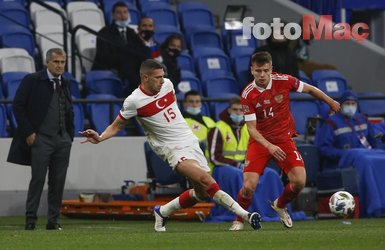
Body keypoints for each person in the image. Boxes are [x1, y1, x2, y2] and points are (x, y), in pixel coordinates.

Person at [80, 59, 262, 232]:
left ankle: (162, 212)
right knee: (206, 181)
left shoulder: (168, 85)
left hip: (189, 141)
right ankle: (245, 215)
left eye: (162, 76)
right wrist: (100, 137)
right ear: (145, 77)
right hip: (170, 148)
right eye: (157, 77)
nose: (162, 80)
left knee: (202, 194)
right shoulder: (134, 101)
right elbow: (117, 125)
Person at [229, 51, 340, 231]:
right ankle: (239, 220)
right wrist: (269, 146)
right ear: (252, 70)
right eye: (258, 71)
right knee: (249, 187)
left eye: (265, 70)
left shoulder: (284, 80)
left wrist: (330, 101)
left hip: (283, 139)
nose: (262, 75)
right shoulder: (248, 94)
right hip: (261, 142)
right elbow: (251, 129)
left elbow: (311, 89)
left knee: (299, 182)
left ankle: (280, 205)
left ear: (271, 68)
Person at [7, 48, 74, 231]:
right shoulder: (33, 80)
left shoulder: (66, 83)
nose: (60, 66)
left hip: (62, 140)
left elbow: (69, 111)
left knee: (58, 181)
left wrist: (70, 135)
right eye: (56, 62)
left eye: (62, 62)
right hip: (41, 138)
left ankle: (53, 221)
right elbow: (18, 107)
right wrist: (28, 132)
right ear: (47, 62)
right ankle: (31, 220)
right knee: (37, 179)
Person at [315, 90, 383, 171]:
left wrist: (376, 152)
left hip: (364, 161)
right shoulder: (331, 123)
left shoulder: (363, 119)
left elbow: (375, 139)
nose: (350, 106)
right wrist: (346, 154)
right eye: (347, 104)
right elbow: (323, 149)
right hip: (341, 165)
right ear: (341, 105)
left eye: (353, 104)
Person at [92, 1, 151, 93]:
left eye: (125, 12)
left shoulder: (132, 33)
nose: (122, 15)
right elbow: (104, 57)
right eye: (119, 13)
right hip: (111, 69)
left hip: (130, 72)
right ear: (113, 15)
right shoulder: (104, 33)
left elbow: (139, 53)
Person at [207, 97, 249, 170]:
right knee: (239, 175)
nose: (238, 113)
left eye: (241, 110)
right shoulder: (218, 128)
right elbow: (214, 158)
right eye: (235, 109)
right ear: (229, 110)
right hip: (219, 167)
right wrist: (237, 165)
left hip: (240, 167)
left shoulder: (247, 128)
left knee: (268, 173)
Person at [182, 90, 215, 168]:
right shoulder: (181, 121)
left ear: (201, 104)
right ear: (184, 104)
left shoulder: (209, 120)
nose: (194, 105)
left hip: (212, 160)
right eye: (191, 101)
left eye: (197, 102)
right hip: (193, 161)